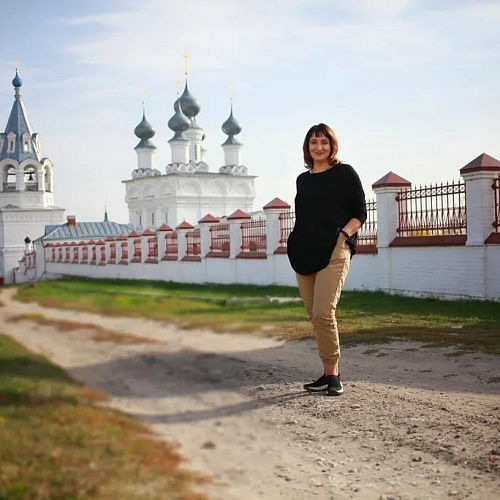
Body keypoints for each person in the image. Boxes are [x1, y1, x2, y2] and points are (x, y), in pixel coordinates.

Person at [287, 123, 367, 396]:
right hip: (305, 251)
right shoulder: (303, 179)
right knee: (314, 315)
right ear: (307, 147)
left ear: (332, 146)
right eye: (313, 142)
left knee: (323, 312)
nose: (319, 147)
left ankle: (333, 376)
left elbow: (360, 213)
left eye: (324, 142)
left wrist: (343, 235)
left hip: (335, 250)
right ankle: (326, 373)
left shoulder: (345, 173)